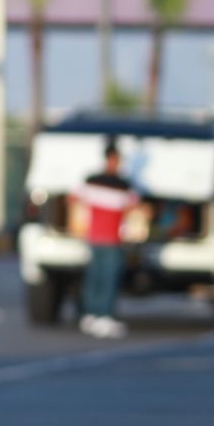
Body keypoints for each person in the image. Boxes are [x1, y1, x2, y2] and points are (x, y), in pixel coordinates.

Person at [74, 143, 137, 340]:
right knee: (104, 278)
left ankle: (92, 315)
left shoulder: (96, 182)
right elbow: (135, 205)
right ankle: (102, 315)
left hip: (103, 237)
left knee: (97, 277)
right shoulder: (119, 184)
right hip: (105, 238)